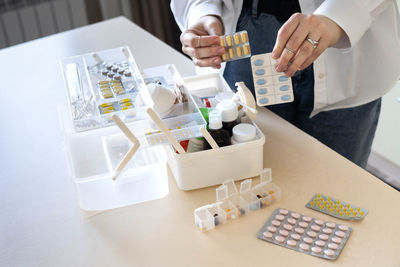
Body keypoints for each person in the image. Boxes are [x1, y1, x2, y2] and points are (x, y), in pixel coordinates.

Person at [170, 0, 400, 168]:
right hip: (247, 37)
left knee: (340, 190)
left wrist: (338, 16)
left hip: (345, 45)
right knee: (258, 188)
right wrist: (202, 10)